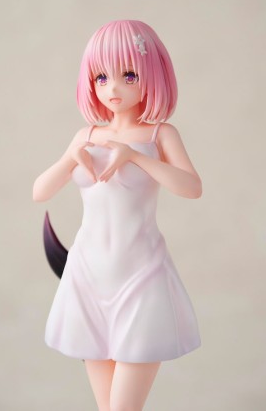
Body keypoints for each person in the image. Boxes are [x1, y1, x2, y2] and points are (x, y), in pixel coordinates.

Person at [33, 20, 203, 411]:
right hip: (88, 275)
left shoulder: (160, 134)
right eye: (101, 77)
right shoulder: (86, 135)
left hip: (141, 274)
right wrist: (69, 159)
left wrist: (137, 159)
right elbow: (40, 191)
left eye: (128, 76)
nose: (113, 88)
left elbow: (191, 187)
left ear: (152, 75)